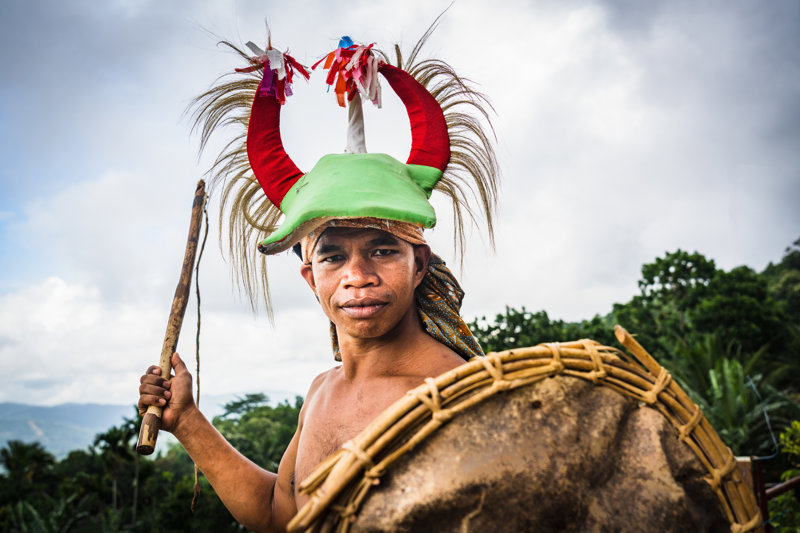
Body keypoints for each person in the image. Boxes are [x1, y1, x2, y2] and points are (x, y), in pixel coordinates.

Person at [138, 31, 497, 532]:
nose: (357, 276)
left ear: (419, 264)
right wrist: (187, 421)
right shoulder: (323, 390)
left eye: (382, 249)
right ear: (310, 277)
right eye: (332, 256)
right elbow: (278, 514)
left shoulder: (458, 397)